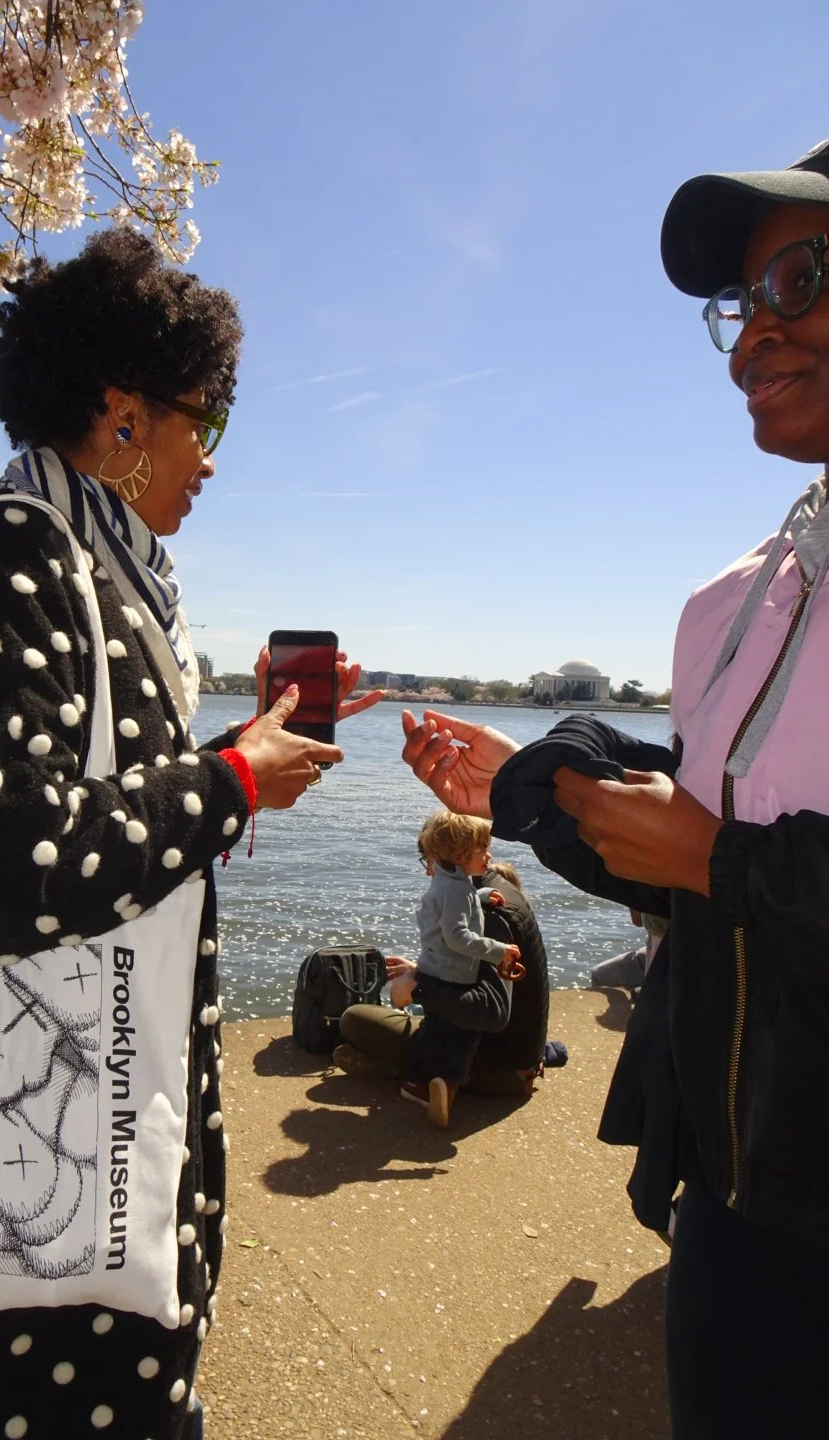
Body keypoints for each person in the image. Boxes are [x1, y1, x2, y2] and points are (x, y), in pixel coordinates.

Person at [0, 229, 378, 1440]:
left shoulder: (88, 569)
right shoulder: (12, 549)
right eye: (202, 423)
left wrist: (241, 750)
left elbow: (73, 801)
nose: (211, 461)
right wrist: (229, 782)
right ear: (122, 414)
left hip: (82, 1196)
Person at [400, 138, 829, 1439]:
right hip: (739, 1210)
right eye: (737, 306)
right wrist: (528, 789)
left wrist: (722, 864)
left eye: (797, 280)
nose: (754, 336)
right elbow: (688, 860)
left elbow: (719, 860)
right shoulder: (729, 602)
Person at [337, 856, 552, 1097]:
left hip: (496, 1067)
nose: (429, 873)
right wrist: (418, 969)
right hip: (516, 1059)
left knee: (354, 1019)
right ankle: (399, 1066)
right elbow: (470, 973)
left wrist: (417, 988)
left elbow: (490, 1012)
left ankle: (410, 1071)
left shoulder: (489, 915)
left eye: (428, 862)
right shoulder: (491, 895)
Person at [393, 811, 523, 1128]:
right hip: (453, 974)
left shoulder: (450, 882)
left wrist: (480, 897)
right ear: (463, 856)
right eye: (483, 851)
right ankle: (448, 1085)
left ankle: (416, 1081)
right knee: (462, 1035)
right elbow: (457, 936)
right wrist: (497, 951)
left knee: (435, 1029)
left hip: (434, 967)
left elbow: (459, 902)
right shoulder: (455, 890)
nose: (489, 856)